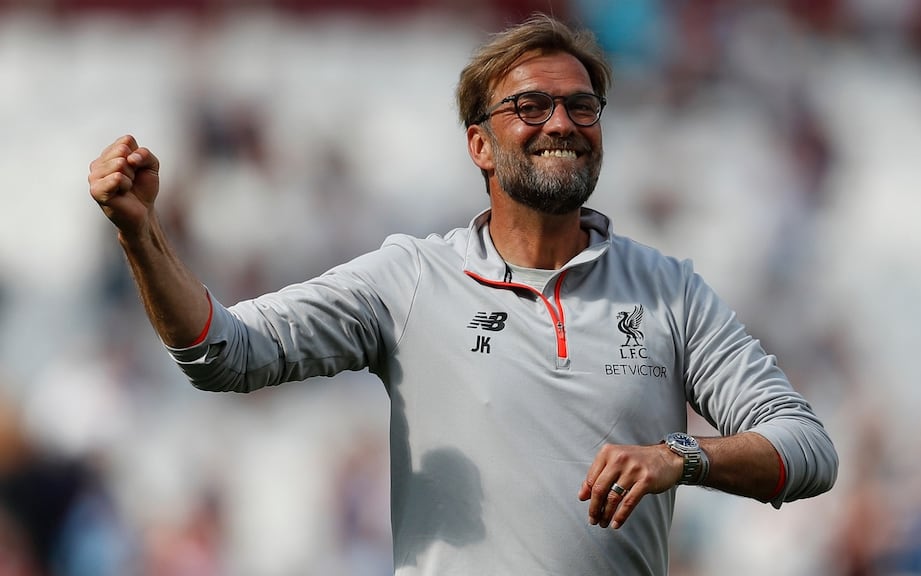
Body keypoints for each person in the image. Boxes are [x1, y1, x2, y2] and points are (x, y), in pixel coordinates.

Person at [87, 14, 838, 576]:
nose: (563, 124)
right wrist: (139, 235)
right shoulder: (410, 279)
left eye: (583, 107)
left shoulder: (668, 291)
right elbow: (224, 353)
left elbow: (807, 450)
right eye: (531, 108)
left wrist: (682, 456)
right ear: (479, 143)